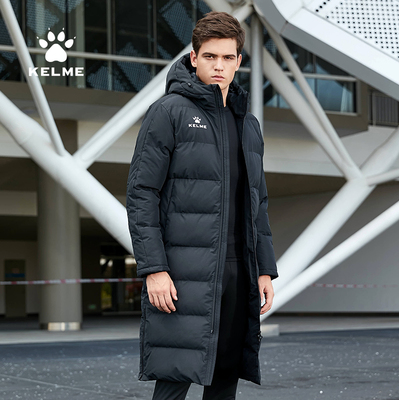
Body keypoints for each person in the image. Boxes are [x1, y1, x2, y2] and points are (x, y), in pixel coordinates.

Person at [126, 11, 278, 400]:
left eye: (227, 58)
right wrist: (154, 269)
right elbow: (142, 193)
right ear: (194, 58)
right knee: (175, 378)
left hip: (238, 272)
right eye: (210, 56)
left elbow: (257, 202)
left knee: (225, 377)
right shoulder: (169, 112)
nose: (218, 66)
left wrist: (264, 270)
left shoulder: (248, 124)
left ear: (239, 61)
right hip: (183, 273)